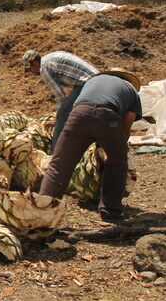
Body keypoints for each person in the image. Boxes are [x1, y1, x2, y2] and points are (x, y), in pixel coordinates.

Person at [38, 69, 142, 222]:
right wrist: (114, 146)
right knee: (117, 162)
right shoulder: (130, 90)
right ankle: (110, 210)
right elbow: (126, 125)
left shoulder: (91, 82)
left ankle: (43, 208)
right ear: (127, 80)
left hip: (78, 115)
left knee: (59, 164)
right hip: (107, 115)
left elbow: (78, 108)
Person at [23, 49, 98, 151]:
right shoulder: (49, 58)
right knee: (72, 107)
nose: (31, 73)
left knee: (63, 112)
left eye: (29, 69)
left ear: (35, 63)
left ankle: (56, 152)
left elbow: (60, 97)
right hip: (95, 78)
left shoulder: (44, 68)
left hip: (88, 83)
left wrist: (57, 118)